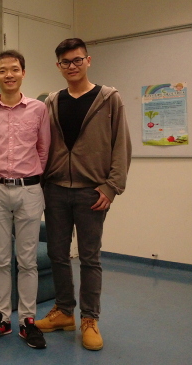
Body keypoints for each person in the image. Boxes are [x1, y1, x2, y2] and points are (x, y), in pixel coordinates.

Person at [35, 38, 132, 351]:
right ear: (58, 66)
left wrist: (111, 186)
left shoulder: (109, 98)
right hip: (55, 189)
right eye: (66, 62)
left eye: (77, 60)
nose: (72, 66)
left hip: (93, 191)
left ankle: (90, 318)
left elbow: (122, 146)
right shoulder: (51, 101)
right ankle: (64, 311)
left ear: (88, 61)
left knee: (90, 257)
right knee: (57, 254)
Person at [0, 50, 50, 349]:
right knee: (0, 259)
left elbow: (44, 149)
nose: (9, 74)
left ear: (23, 73)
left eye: (15, 69)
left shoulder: (38, 110)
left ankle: (28, 321)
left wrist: (31, 180)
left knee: (28, 260)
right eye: (3, 70)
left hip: (30, 190)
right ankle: (3, 317)